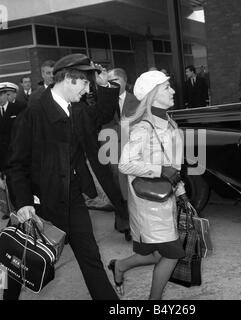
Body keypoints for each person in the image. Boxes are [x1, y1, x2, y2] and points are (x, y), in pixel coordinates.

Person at [3, 53, 128, 300]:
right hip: (39, 201)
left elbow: (102, 115)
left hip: (72, 198)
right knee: (19, 262)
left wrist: (104, 85)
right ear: (69, 79)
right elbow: (16, 165)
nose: (86, 90)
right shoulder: (34, 112)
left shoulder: (78, 109)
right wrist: (25, 202)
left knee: (90, 257)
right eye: (84, 84)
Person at [108, 70, 189, 300]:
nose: (172, 90)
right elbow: (125, 164)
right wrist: (159, 169)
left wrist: (181, 193)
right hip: (149, 204)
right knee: (172, 253)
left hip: (167, 199)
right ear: (153, 95)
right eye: (166, 87)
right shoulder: (143, 128)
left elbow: (175, 168)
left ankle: (120, 266)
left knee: (156, 254)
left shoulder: (170, 124)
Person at [106, 68, 139, 241]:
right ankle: (124, 224)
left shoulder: (137, 101)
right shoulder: (105, 101)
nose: (112, 85)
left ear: (125, 82)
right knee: (117, 188)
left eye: (115, 82)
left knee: (131, 187)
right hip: (112, 149)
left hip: (133, 149)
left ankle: (132, 224)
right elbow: (103, 125)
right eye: (109, 82)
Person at [0, 82, 26, 220]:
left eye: (1, 94)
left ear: (6, 95)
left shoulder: (19, 108)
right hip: (5, 160)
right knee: (11, 187)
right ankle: (16, 214)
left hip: (20, 156)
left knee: (23, 186)